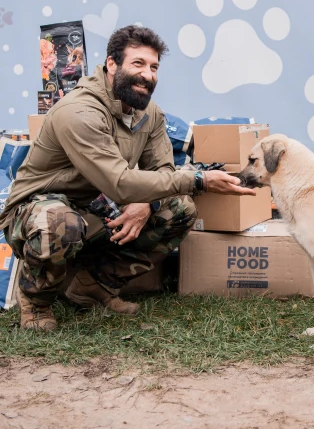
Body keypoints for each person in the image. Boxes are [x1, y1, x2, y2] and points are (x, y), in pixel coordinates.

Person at [1, 25, 255, 331]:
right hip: (36, 212)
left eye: (153, 67)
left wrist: (147, 203)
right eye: (138, 64)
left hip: (95, 209)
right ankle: (37, 302)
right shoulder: (79, 111)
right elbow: (119, 183)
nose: (148, 75)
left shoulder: (148, 113)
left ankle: (93, 285)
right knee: (60, 222)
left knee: (180, 209)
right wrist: (199, 180)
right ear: (111, 64)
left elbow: (163, 172)